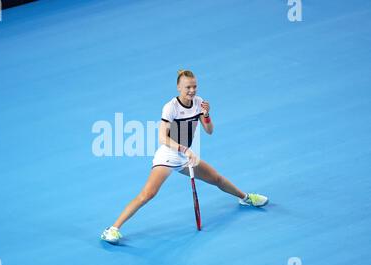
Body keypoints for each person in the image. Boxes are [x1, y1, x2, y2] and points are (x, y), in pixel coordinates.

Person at [101, 70, 268, 244]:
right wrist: (184, 149)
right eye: (188, 87)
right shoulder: (170, 107)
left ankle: (245, 198)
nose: (192, 90)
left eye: (195, 86)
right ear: (179, 87)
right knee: (148, 193)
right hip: (168, 155)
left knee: (217, 179)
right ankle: (112, 229)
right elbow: (162, 138)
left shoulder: (199, 103)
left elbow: (209, 131)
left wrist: (206, 115)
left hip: (185, 156)